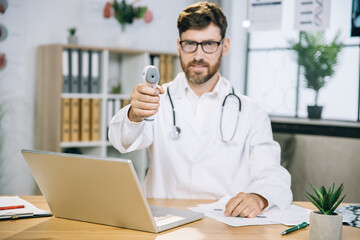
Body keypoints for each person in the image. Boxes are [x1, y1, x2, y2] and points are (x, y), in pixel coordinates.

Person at [109, 2, 292, 218]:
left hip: (224, 223)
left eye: (209, 44)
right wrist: (135, 115)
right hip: (165, 222)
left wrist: (258, 197)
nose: (198, 54)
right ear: (178, 46)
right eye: (190, 44)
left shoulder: (252, 111)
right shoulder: (157, 99)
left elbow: (271, 173)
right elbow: (122, 140)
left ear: (225, 46)